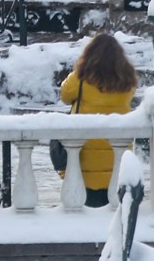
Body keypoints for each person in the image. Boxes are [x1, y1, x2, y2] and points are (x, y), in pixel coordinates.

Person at [58, 32, 138, 207]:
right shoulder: (127, 78)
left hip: (86, 153)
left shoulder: (80, 78)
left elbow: (65, 95)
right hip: (117, 151)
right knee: (115, 208)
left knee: (85, 207)